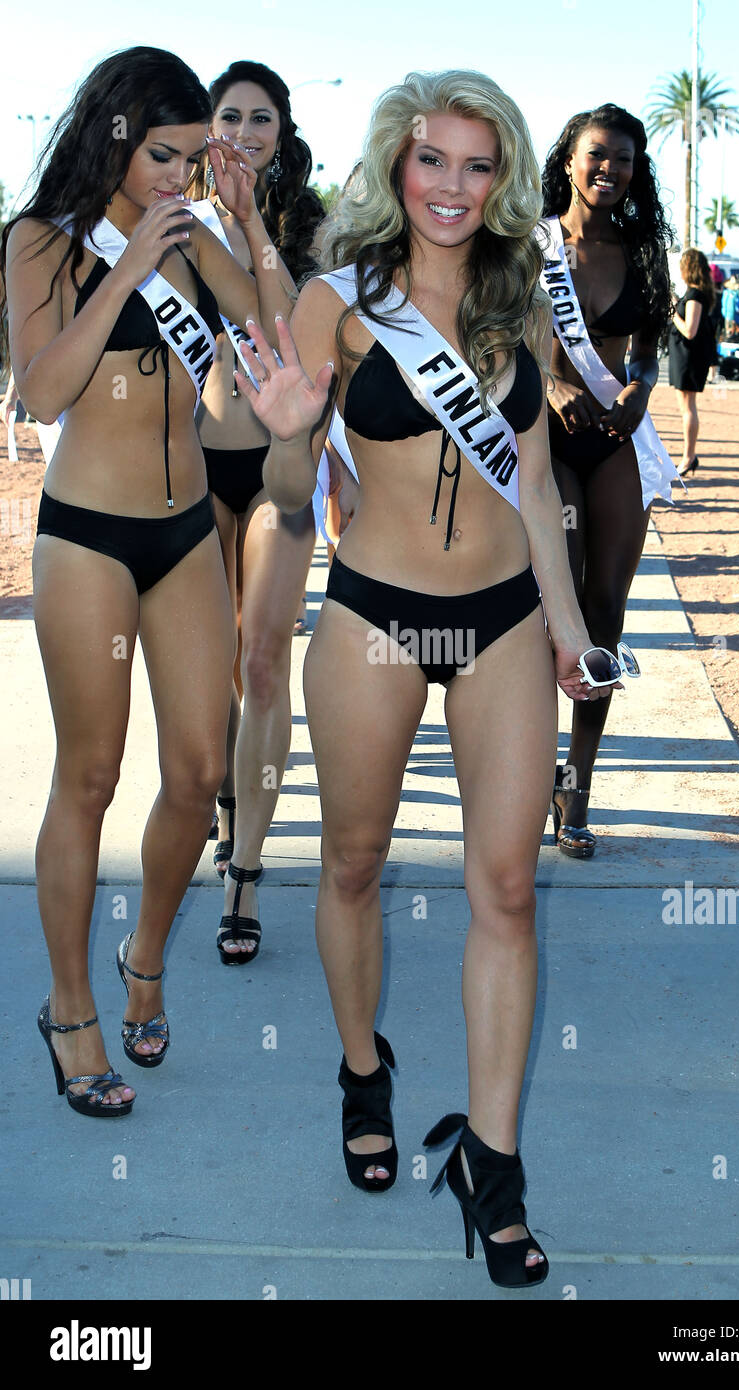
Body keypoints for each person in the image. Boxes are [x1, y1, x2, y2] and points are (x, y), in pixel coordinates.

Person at [235, 69, 620, 1288]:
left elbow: (543, 486)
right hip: (375, 615)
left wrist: (568, 629)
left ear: (502, 176)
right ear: (395, 168)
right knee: (352, 862)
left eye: (475, 163)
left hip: (502, 618)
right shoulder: (335, 303)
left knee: (505, 891)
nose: (452, 186)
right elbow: (293, 501)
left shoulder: (521, 297)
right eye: (430, 160)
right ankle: (363, 1070)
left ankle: (491, 1168)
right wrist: (293, 431)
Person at [1, 46, 291, 1116]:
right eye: (162, 154)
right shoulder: (40, 240)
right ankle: (70, 1007)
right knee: (89, 774)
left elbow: (284, 329)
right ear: (115, 138)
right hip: (86, 537)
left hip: (182, 537)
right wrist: (128, 267)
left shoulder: (199, 236)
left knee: (199, 766)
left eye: (192, 155)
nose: (178, 175)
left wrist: (247, 223)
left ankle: (147, 956)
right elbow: (40, 390)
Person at [195, 60, 323, 962]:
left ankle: (243, 872)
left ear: (282, 132)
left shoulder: (315, 230)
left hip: (282, 470)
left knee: (265, 662)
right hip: (192, 471)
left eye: (261, 118)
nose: (245, 130)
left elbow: (308, 343)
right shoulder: (173, 217)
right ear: (209, 127)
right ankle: (228, 796)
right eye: (230, 115)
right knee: (214, 667)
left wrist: (252, 227)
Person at [541, 104, 675, 857]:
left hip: (614, 439)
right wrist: (549, 386)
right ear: (568, 159)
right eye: (596, 154)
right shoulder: (529, 248)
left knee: (605, 617)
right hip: (547, 441)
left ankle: (577, 791)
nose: (608, 169)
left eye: (622, 159)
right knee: (549, 609)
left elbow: (647, 350)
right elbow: (497, 338)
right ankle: (528, 770)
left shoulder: (641, 249)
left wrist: (639, 391)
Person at [668, 248, 716, 478]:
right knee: (686, 406)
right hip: (686, 356)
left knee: (688, 407)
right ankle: (689, 455)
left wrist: (672, 312)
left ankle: (689, 455)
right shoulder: (695, 293)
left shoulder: (695, 295)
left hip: (689, 357)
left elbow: (689, 330)